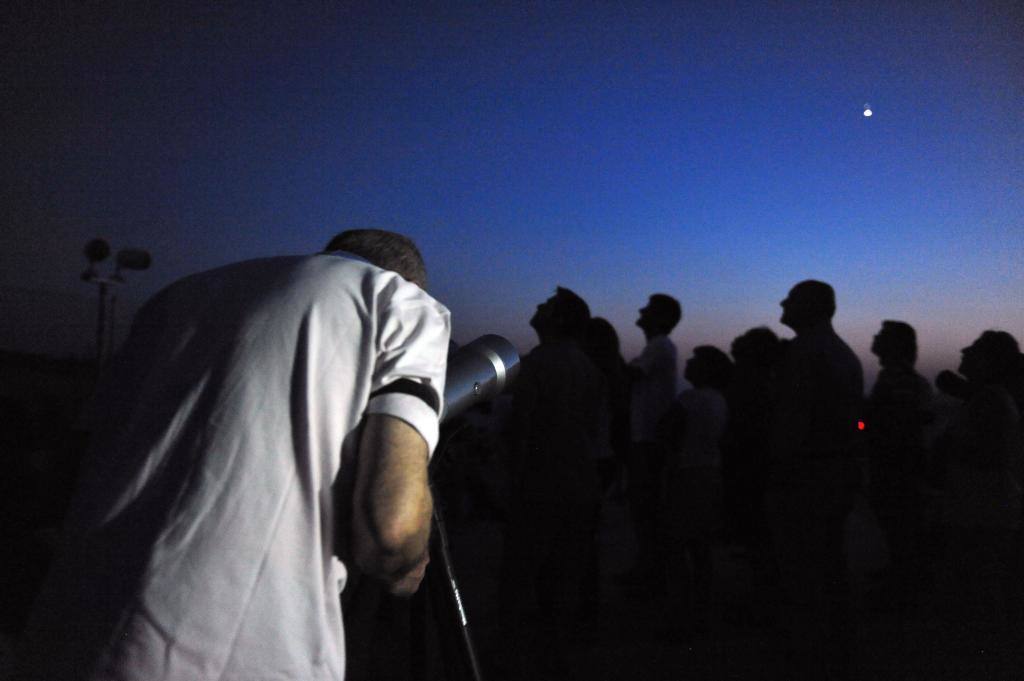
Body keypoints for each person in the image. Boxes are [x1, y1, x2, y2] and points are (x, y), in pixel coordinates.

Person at [15, 229, 450, 681]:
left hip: (65, 631)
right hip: (237, 656)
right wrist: (404, 564)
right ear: (409, 281)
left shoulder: (174, 298)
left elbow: (74, 466)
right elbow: (392, 533)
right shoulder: (401, 302)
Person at [499, 287, 606, 677]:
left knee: (520, 575)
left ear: (559, 320)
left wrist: (511, 479)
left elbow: (521, 429)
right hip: (578, 484)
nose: (538, 307)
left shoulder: (539, 363)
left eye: (546, 306)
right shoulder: (586, 365)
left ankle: (507, 659)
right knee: (564, 576)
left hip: (541, 483)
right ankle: (555, 655)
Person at [765, 280, 863, 681]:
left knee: (804, 570)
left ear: (811, 306)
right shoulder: (844, 355)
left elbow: (794, 422)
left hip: (807, 476)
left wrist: (779, 471)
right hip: (833, 473)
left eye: (790, 298)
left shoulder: (806, 353)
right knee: (827, 564)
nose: (782, 302)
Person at [932, 331, 1023, 649]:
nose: (963, 350)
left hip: (983, 512)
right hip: (983, 509)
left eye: (973, 349)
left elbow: (988, 455)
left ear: (988, 361)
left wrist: (945, 449)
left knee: (979, 588)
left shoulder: (990, 400)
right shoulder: (987, 397)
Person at [660, 345, 732, 640]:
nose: (688, 362)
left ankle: (681, 616)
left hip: (686, 474)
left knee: (675, 548)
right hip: (710, 473)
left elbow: (666, 429)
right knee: (701, 550)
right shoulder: (720, 400)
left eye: (695, 360)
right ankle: (701, 613)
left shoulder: (690, 398)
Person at [864, 320, 932, 608]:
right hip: (900, 467)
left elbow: (900, 425)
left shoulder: (896, 380)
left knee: (900, 528)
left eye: (881, 334)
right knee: (900, 529)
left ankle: (904, 590)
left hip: (896, 468)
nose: (875, 337)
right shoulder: (898, 378)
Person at [621, 293, 681, 589]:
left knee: (646, 508)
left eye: (648, 309)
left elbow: (629, 375)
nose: (641, 311)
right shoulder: (658, 347)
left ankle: (651, 573)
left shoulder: (659, 346)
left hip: (648, 440)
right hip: (647, 439)